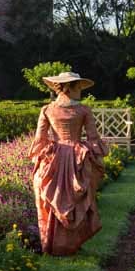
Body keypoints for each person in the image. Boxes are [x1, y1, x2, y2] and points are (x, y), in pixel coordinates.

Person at [28, 71, 107, 256]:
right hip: (75, 157)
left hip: (55, 158)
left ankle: (53, 244)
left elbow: (40, 140)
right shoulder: (83, 110)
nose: (81, 90)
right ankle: (70, 244)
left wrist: (40, 161)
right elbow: (93, 137)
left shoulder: (47, 110)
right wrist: (97, 158)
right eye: (78, 86)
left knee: (55, 197)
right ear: (68, 87)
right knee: (72, 198)